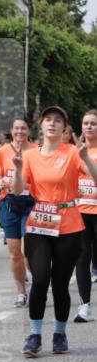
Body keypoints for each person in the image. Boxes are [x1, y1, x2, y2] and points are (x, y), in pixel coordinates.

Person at [13, 106, 97, 356]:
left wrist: (86, 158)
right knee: (40, 280)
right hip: (40, 223)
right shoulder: (30, 155)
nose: (52, 123)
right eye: (48, 119)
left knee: (60, 284)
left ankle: (60, 333)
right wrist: (17, 168)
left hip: (69, 224)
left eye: (58, 120)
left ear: (64, 127)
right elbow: (17, 190)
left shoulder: (72, 152)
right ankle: (35, 335)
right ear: (41, 126)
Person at [0, 118, 35, 307]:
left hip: (31, 204)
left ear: (29, 131)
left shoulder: (37, 151)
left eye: (23, 128)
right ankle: (21, 293)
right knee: (15, 253)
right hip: (9, 204)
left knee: (27, 251)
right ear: (11, 130)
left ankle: (39, 282)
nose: (20, 131)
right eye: (16, 128)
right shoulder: (3, 151)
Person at [74, 109, 97, 323]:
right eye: (86, 123)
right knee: (82, 258)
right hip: (80, 212)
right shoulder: (74, 152)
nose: (89, 126)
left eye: (93, 123)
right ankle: (84, 306)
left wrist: (85, 158)